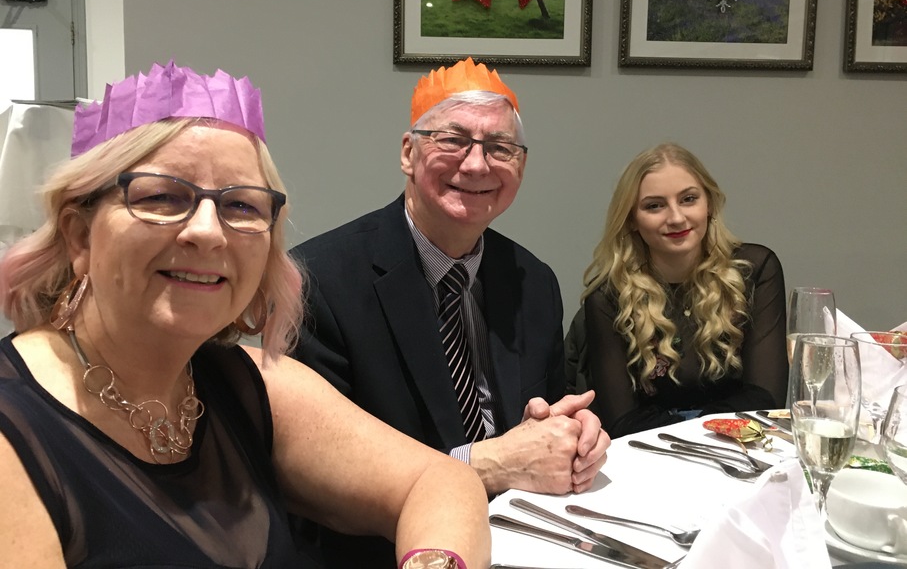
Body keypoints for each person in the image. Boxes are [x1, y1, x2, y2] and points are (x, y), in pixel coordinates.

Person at [0, 61, 489, 569]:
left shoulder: (249, 386)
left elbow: (442, 481)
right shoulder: (14, 433)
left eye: (240, 206)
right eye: (162, 196)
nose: (208, 232)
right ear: (80, 236)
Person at [290, 58, 610, 567]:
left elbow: (542, 420)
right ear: (408, 152)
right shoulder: (318, 282)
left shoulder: (534, 282)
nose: (477, 165)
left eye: (500, 148)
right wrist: (486, 464)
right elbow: (318, 480)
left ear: (520, 166)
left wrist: (573, 436)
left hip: (528, 540)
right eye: (453, 140)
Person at [576, 143, 787, 438]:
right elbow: (621, 421)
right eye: (654, 206)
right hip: (652, 451)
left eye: (688, 199)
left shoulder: (755, 270)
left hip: (739, 446)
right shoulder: (608, 296)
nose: (676, 218)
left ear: (709, 204)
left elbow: (765, 398)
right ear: (632, 220)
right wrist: (701, 430)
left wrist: (702, 429)